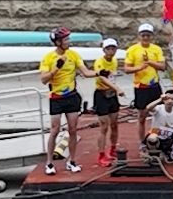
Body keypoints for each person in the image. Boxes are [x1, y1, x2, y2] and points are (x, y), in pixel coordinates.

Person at [40, 27, 85, 175]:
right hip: (56, 98)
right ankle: (49, 163)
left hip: (71, 96)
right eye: (66, 39)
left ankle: (72, 161)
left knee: (73, 129)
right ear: (58, 42)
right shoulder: (48, 58)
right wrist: (55, 69)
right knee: (55, 130)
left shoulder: (73, 55)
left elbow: (85, 71)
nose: (68, 42)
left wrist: (99, 73)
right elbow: (43, 80)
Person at [124, 22, 168, 144]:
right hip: (141, 87)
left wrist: (150, 63)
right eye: (143, 35)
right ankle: (141, 141)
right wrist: (139, 67)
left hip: (154, 86)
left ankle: (157, 138)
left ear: (151, 36)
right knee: (142, 116)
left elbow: (163, 66)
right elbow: (127, 69)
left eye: (148, 35)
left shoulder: (156, 49)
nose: (146, 38)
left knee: (159, 114)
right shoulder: (132, 50)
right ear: (139, 36)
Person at [89, 38, 128, 168]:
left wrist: (115, 89)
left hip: (112, 95)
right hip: (101, 95)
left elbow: (112, 77)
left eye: (113, 48)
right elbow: (103, 78)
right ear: (104, 50)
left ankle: (112, 149)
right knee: (104, 127)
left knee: (115, 124)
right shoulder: (100, 62)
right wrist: (118, 89)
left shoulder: (115, 61)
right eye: (108, 49)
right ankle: (101, 154)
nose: (111, 51)